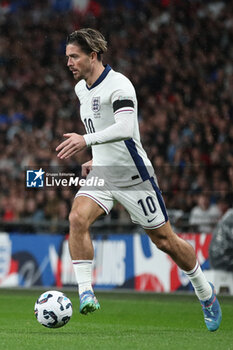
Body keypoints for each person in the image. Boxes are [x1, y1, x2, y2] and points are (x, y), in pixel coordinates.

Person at [56, 28, 222, 331]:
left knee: (165, 241)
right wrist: (97, 156)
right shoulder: (82, 89)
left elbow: (125, 128)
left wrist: (86, 141)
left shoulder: (119, 86)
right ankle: (86, 293)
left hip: (134, 177)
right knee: (77, 218)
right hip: (104, 173)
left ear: (93, 56)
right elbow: (104, 129)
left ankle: (205, 292)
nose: (68, 62)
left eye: (74, 56)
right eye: (67, 57)